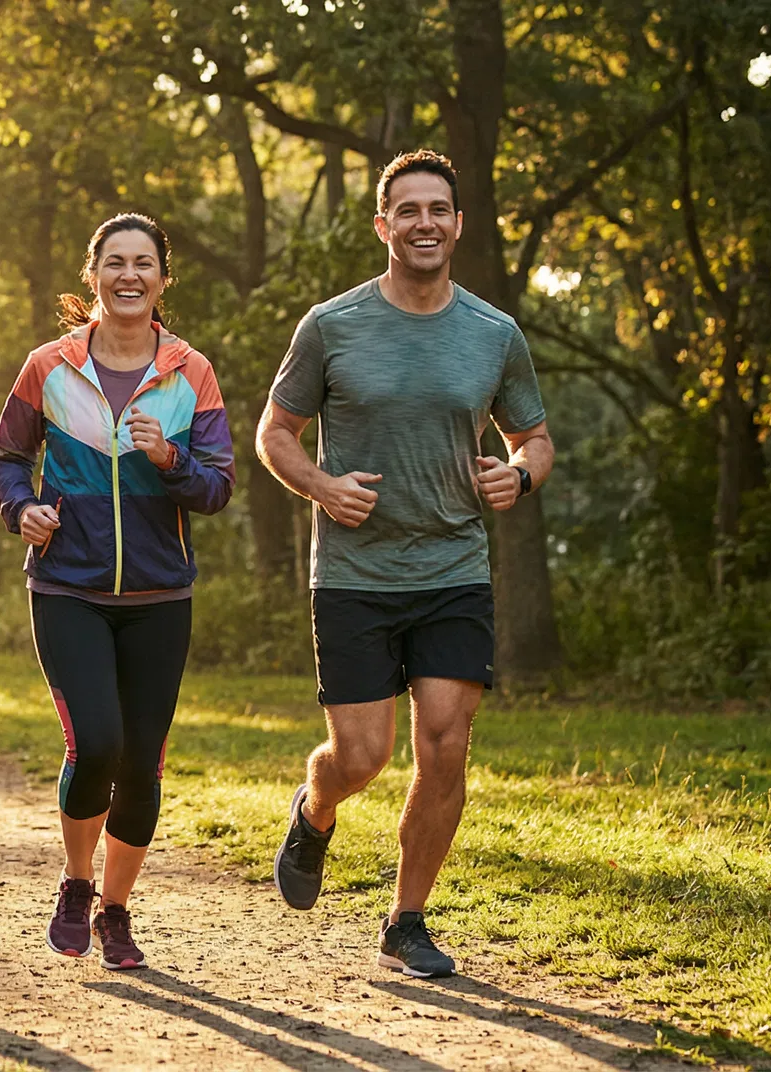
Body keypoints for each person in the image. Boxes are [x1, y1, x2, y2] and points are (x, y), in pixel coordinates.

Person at [255, 150, 553, 979]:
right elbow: (274, 433)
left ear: (458, 224)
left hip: (454, 567)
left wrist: (519, 474)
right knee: (361, 757)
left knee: (446, 747)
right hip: (354, 573)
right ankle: (315, 810)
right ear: (383, 225)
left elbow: (533, 437)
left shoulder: (494, 333)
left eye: (439, 209)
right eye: (409, 210)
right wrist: (321, 485)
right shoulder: (332, 325)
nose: (425, 222)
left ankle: (406, 921)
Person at [0, 214, 235, 971]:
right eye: (116, 262)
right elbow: (8, 457)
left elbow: (217, 488)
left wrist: (171, 462)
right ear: (93, 275)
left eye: (144, 263)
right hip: (68, 586)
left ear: (162, 279)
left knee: (142, 762)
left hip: (160, 596)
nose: (130, 275)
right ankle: (76, 882)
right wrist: (21, 509)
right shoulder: (48, 366)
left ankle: (117, 911)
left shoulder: (191, 373)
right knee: (96, 743)